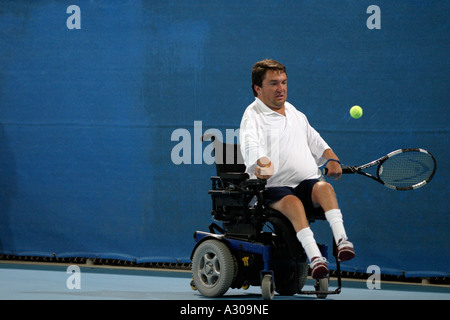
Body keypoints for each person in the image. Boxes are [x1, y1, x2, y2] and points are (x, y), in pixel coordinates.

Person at [239, 59, 355, 279]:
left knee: (325, 189)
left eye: (283, 82)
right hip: (271, 189)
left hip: (305, 184)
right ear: (258, 88)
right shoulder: (252, 115)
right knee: (293, 202)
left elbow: (317, 142)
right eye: (273, 83)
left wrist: (332, 159)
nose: (281, 88)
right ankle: (314, 257)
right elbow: (250, 144)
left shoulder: (294, 112)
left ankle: (342, 241)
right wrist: (261, 163)